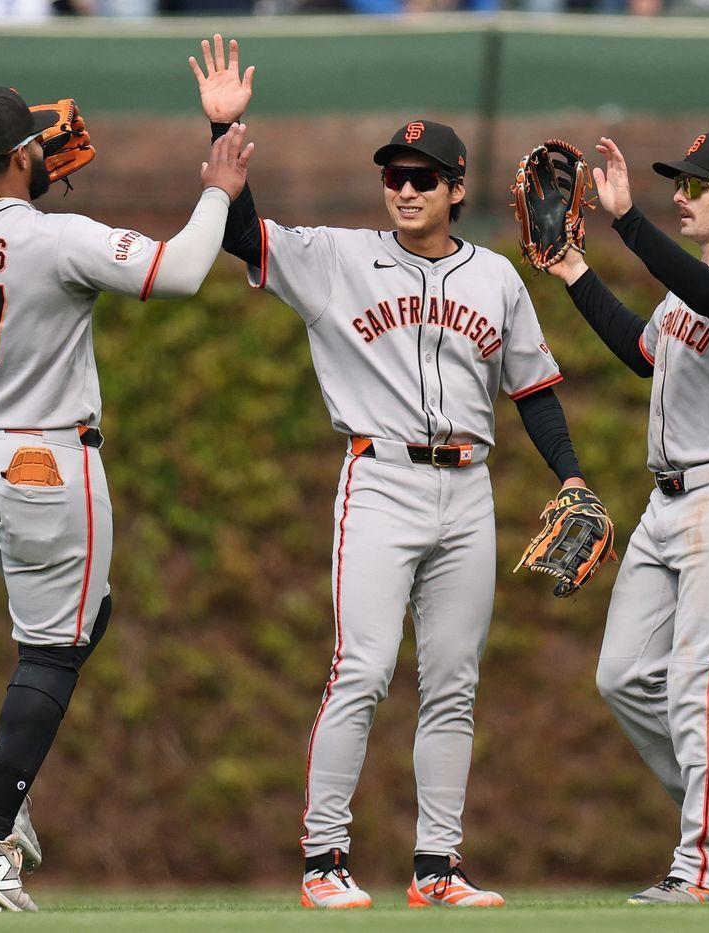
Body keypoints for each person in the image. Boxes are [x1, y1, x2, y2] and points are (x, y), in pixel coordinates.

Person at [189, 34, 604, 910]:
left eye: (424, 176)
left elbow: (532, 389)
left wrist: (568, 474)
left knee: (453, 681)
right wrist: (222, 126)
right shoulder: (337, 257)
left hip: (470, 490)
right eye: (394, 175)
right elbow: (241, 234)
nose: (406, 189)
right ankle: (323, 859)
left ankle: (436, 868)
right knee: (364, 667)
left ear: (457, 188)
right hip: (378, 481)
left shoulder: (495, 276)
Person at [0, 86, 252, 911]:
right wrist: (219, 190)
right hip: (45, 457)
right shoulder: (58, 237)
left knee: (86, 612)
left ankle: (1, 760)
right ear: (19, 158)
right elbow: (182, 272)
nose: (50, 151)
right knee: (52, 648)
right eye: (36, 146)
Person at [542, 132, 709, 904]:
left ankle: (703, 868)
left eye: (695, 185)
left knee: (699, 681)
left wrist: (627, 223)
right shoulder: (685, 290)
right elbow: (641, 351)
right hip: (667, 503)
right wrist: (572, 270)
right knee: (622, 676)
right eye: (677, 184)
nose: (681, 195)